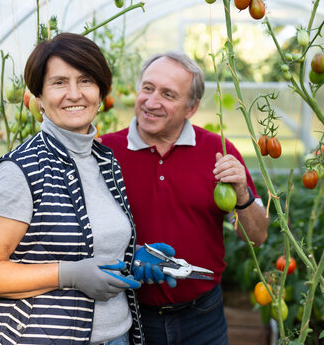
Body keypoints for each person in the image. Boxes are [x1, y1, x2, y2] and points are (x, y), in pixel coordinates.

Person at [0, 32, 151, 345]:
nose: (74, 93)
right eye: (59, 82)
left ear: (101, 91)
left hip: (118, 335)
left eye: (85, 80)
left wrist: (134, 256)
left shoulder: (104, 160)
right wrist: (69, 275)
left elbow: (89, 245)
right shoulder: (20, 170)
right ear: (38, 96)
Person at [100, 50, 269, 344]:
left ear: (191, 108)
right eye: (148, 88)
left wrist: (241, 192)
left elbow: (256, 236)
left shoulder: (218, 151)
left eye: (168, 94)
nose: (151, 103)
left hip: (203, 316)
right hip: (128, 316)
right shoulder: (105, 153)